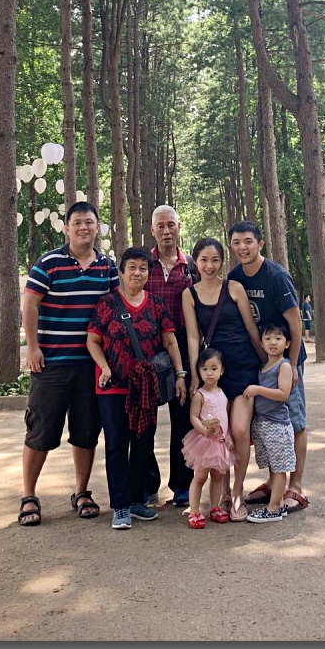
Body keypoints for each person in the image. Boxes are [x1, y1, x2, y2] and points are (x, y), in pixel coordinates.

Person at [17, 202, 118, 527]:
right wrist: (32, 348)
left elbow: (115, 311)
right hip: (51, 365)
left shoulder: (108, 267)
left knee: (87, 432)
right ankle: (29, 496)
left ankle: (82, 491)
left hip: (91, 366)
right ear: (67, 228)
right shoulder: (50, 263)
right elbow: (30, 305)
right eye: (77, 223)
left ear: (98, 227)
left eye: (90, 222)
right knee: (41, 431)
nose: (84, 228)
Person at [86, 247, 188, 530]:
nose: (137, 273)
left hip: (145, 388)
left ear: (149, 273)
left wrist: (180, 374)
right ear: (121, 271)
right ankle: (119, 505)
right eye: (132, 267)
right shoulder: (107, 303)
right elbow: (92, 340)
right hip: (113, 387)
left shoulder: (156, 305)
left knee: (143, 441)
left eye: (143, 268)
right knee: (117, 444)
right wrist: (105, 366)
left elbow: (170, 342)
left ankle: (135, 500)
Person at [227, 220, 309, 513]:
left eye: (248, 241)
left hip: (286, 360)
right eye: (236, 242)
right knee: (267, 422)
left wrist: (293, 362)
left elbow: (295, 321)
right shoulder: (235, 276)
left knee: (294, 422)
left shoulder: (275, 276)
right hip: (260, 363)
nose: (242, 247)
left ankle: (295, 485)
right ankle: (274, 482)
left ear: (260, 244)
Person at [181, 236, 262, 521]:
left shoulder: (235, 288)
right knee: (218, 433)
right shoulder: (189, 294)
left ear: (222, 261)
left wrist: (266, 363)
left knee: (239, 430)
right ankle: (223, 494)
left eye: (215, 259)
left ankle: (238, 492)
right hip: (213, 373)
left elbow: (252, 330)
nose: (209, 265)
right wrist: (194, 375)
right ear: (195, 261)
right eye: (203, 259)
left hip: (242, 367)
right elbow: (193, 336)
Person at [146, 205, 197, 508]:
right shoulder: (142, 264)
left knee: (182, 420)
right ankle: (147, 484)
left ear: (179, 228)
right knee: (144, 421)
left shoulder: (190, 265)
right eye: (161, 226)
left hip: (182, 346)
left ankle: (181, 486)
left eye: (172, 225)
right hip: (146, 348)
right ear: (152, 230)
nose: (167, 231)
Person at [242, 322, 295, 523]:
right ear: (262, 343)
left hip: (277, 425)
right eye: (268, 338)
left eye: (278, 338)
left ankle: (272, 508)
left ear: (287, 343)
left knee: (280, 468)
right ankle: (278, 503)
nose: (273, 342)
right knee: (274, 467)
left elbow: (283, 394)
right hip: (263, 423)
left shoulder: (284, 365)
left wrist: (257, 390)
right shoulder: (265, 365)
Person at [181, 347, 236, 529]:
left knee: (218, 477)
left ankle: (214, 507)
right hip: (204, 442)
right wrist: (203, 430)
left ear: (221, 370)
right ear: (199, 371)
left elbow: (226, 417)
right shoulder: (200, 395)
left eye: (213, 368)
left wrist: (227, 435)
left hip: (220, 443)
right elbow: (193, 417)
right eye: (204, 369)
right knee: (200, 476)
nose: (209, 373)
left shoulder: (223, 394)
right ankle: (195, 510)